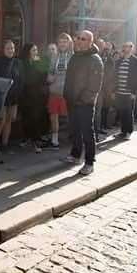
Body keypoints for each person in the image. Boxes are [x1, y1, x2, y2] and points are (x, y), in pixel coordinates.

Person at [61, 30, 103, 175]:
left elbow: (94, 86)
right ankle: (75, 155)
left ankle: (89, 162)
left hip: (85, 103)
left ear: (91, 42)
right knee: (74, 130)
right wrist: (67, 95)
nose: (79, 40)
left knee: (87, 132)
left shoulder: (95, 59)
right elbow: (69, 80)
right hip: (72, 101)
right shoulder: (75, 57)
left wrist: (82, 99)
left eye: (83, 39)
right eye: (78, 38)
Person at [0, 40, 22, 149]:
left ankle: (4, 144)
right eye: (8, 48)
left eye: (12, 48)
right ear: (3, 50)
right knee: (0, 121)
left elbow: (21, 79)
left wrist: (19, 94)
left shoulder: (18, 63)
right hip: (1, 97)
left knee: (9, 120)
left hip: (14, 97)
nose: (10, 50)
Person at [19, 43, 49, 153]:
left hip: (37, 94)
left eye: (36, 50)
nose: (35, 52)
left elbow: (44, 75)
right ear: (28, 52)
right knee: (26, 117)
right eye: (33, 50)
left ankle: (36, 141)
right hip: (25, 94)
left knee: (35, 118)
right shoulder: (22, 62)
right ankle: (27, 138)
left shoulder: (39, 61)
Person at [45, 33, 73, 150]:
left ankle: (73, 139)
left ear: (69, 43)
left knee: (70, 117)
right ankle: (54, 141)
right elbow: (50, 71)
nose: (62, 44)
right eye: (60, 42)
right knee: (53, 116)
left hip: (67, 92)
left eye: (65, 42)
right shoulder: (54, 56)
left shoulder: (73, 56)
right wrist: (49, 77)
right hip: (55, 91)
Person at [113, 42, 137, 140]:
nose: (125, 48)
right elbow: (114, 76)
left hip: (129, 93)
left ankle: (128, 132)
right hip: (119, 92)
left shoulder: (136, 61)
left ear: (131, 49)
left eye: (127, 46)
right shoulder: (119, 61)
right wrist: (113, 91)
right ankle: (122, 131)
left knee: (128, 113)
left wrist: (134, 93)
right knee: (121, 112)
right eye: (124, 46)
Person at [96, 41, 116, 133]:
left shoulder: (110, 59)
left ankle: (101, 126)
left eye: (106, 48)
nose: (105, 50)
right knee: (98, 110)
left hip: (106, 88)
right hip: (97, 87)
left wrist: (111, 89)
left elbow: (112, 74)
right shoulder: (95, 57)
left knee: (105, 108)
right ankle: (98, 128)